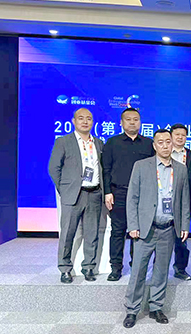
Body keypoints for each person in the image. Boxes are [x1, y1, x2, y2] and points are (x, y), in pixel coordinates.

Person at [122, 130, 190, 329]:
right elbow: (132, 198)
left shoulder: (181, 169)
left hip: (168, 229)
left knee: (161, 271)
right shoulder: (141, 166)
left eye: (168, 142)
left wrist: (184, 224)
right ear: (154, 145)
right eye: (160, 142)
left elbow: (184, 199)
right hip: (145, 229)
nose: (165, 146)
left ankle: (156, 307)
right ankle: (132, 310)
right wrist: (133, 225)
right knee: (138, 271)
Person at [49, 108, 104, 283]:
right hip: (73, 195)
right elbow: (53, 168)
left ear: (93, 122)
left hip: (94, 193)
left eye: (89, 118)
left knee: (92, 234)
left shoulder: (99, 143)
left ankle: (89, 267)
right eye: (81, 118)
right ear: (74, 121)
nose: (85, 122)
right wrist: (64, 190)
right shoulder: (63, 141)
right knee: (68, 234)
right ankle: (65, 268)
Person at [102, 108, 154, 281]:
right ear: (121, 122)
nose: (132, 122)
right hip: (119, 193)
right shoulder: (112, 143)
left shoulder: (148, 144)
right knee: (118, 231)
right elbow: (106, 169)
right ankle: (116, 267)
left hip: (142, 195)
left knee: (139, 231)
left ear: (140, 122)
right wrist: (108, 192)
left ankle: (136, 266)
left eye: (136, 119)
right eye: (128, 119)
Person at [170, 123, 191, 281]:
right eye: (177, 135)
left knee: (181, 238)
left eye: (183, 135)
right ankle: (157, 268)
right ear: (171, 136)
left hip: (183, 202)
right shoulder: (163, 153)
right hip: (163, 200)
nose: (180, 137)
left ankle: (180, 269)